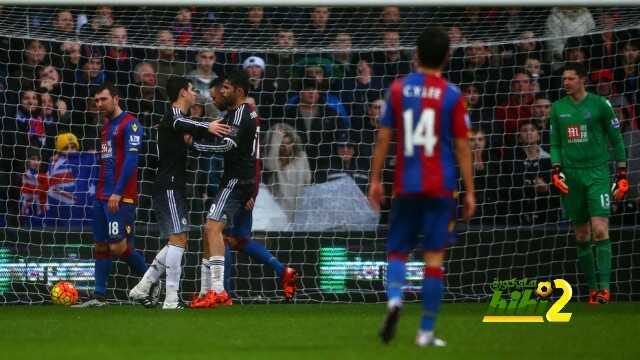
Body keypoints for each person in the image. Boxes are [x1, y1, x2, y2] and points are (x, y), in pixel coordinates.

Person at [368, 27, 475, 347]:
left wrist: (375, 180)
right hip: (441, 187)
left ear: (416, 54)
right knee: (433, 259)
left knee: (398, 250)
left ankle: (395, 299)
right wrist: (469, 190)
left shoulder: (399, 89)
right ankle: (426, 332)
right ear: (446, 56)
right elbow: (462, 147)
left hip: (406, 185)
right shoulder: (453, 94)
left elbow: (384, 137)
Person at [187, 71, 298, 307]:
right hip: (246, 182)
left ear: (238, 91)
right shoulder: (247, 113)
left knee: (214, 230)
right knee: (232, 238)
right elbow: (251, 154)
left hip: (236, 181)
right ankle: (211, 290)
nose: (221, 91)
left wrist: (194, 144)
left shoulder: (240, 115)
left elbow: (228, 146)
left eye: (226, 88)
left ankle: (218, 291)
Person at [128, 77, 229, 309]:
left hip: (175, 186)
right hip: (169, 186)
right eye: (192, 90)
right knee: (179, 240)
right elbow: (185, 123)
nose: (194, 94)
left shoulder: (180, 119)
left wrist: (207, 130)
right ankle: (171, 299)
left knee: (178, 240)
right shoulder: (172, 115)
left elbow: (188, 127)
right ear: (183, 93)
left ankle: (143, 286)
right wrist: (208, 126)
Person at [549, 62, 627, 305]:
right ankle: (592, 290)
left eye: (570, 78)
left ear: (582, 79)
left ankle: (605, 289)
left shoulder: (600, 105)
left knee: (600, 229)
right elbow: (555, 144)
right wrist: (556, 170)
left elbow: (616, 138)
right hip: (571, 176)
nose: (566, 83)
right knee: (582, 235)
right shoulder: (557, 108)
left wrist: (622, 172)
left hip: (597, 174)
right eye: (564, 79)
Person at [72, 83, 148, 307]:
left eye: (103, 99)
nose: (99, 104)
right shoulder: (105, 127)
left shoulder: (130, 124)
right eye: (96, 101)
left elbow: (132, 161)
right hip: (101, 196)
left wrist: (117, 192)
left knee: (119, 247)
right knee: (101, 246)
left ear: (116, 98)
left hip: (120, 196)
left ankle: (151, 282)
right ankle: (99, 295)